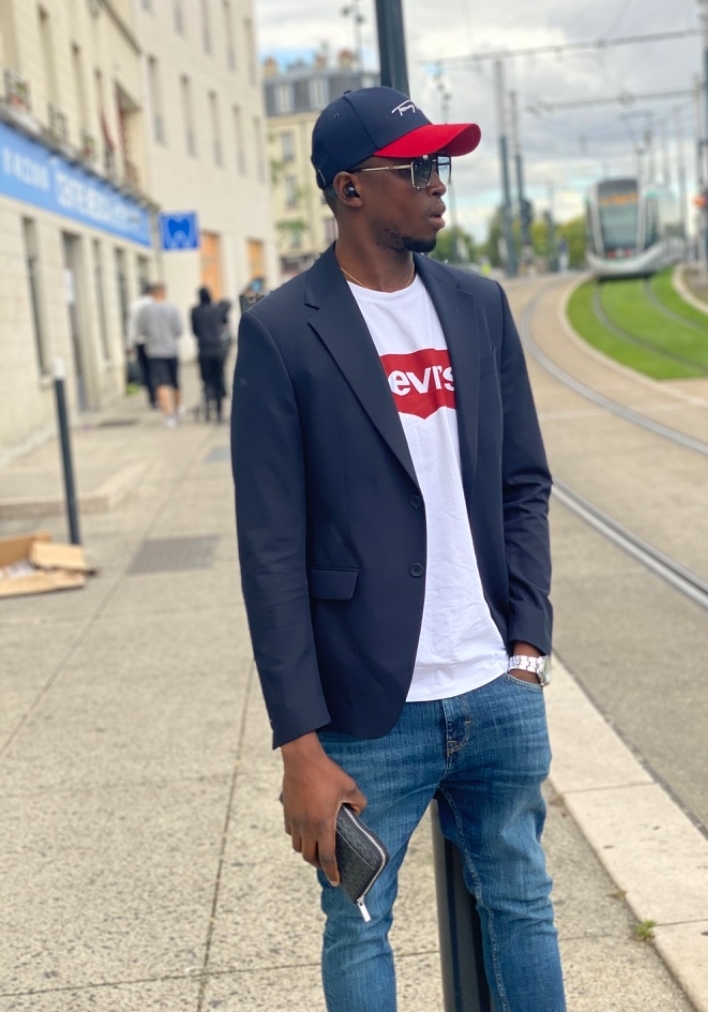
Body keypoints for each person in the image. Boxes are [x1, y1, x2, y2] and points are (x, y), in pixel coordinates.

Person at [231, 86, 565, 1012]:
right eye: (416, 168)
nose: (437, 184)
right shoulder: (282, 330)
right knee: (358, 924)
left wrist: (527, 645)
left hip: (495, 685)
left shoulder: (479, 305)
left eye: (441, 165)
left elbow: (523, 482)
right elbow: (270, 550)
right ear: (350, 189)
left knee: (524, 902)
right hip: (365, 712)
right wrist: (299, 745)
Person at [137, 281, 183, 427]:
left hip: (154, 352)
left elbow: (142, 330)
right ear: (164, 292)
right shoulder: (172, 308)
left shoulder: (145, 310)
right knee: (175, 382)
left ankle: (168, 415)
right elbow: (178, 329)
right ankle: (176, 410)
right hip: (171, 350)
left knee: (161, 383)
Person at [190, 286, 231, 422]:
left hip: (204, 349)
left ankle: (208, 405)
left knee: (206, 379)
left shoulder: (195, 311)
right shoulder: (217, 310)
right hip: (217, 349)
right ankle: (219, 410)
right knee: (219, 379)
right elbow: (225, 319)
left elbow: (194, 330)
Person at [126, 284, 156, 408]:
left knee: (146, 370)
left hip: (140, 343)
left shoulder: (134, 305)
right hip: (155, 343)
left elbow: (131, 326)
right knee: (156, 370)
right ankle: (159, 395)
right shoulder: (155, 303)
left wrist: (129, 343)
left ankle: (152, 398)